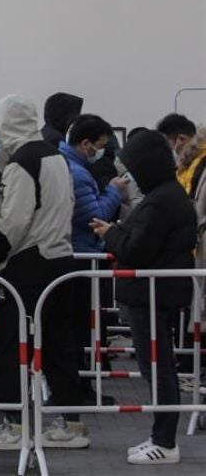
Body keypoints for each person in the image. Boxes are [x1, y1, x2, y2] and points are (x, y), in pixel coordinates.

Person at [0, 94, 85, 451]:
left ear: (8, 124)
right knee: (58, 345)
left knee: (9, 344)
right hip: (61, 257)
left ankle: (15, 424)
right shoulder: (55, 156)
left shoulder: (23, 162)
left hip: (29, 263)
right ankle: (72, 422)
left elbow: (14, 219)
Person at [91, 130, 197, 465]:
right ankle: (160, 436)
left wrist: (111, 234)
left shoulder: (160, 201)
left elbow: (137, 248)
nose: (131, 176)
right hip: (155, 294)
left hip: (151, 295)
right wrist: (118, 232)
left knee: (158, 369)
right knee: (158, 367)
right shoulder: (167, 195)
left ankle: (165, 441)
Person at [60, 114, 128, 402]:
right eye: (99, 146)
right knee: (79, 328)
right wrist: (114, 191)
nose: (99, 152)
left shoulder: (67, 164)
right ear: (85, 143)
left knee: (76, 328)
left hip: (76, 254)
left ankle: (79, 387)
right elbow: (94, 216)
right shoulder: (77, 173)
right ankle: (79, 389)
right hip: (81, 255)